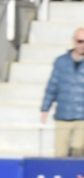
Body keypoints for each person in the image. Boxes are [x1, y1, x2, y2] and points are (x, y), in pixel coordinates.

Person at [40, 27, 84, 157]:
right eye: (80, 41)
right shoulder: (61, 61)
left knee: (78, 148)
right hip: (63, 115)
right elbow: (52, 85)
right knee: (60, 153)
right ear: (74, 41)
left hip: (82, 116)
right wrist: (45, 108)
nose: (82, 45)